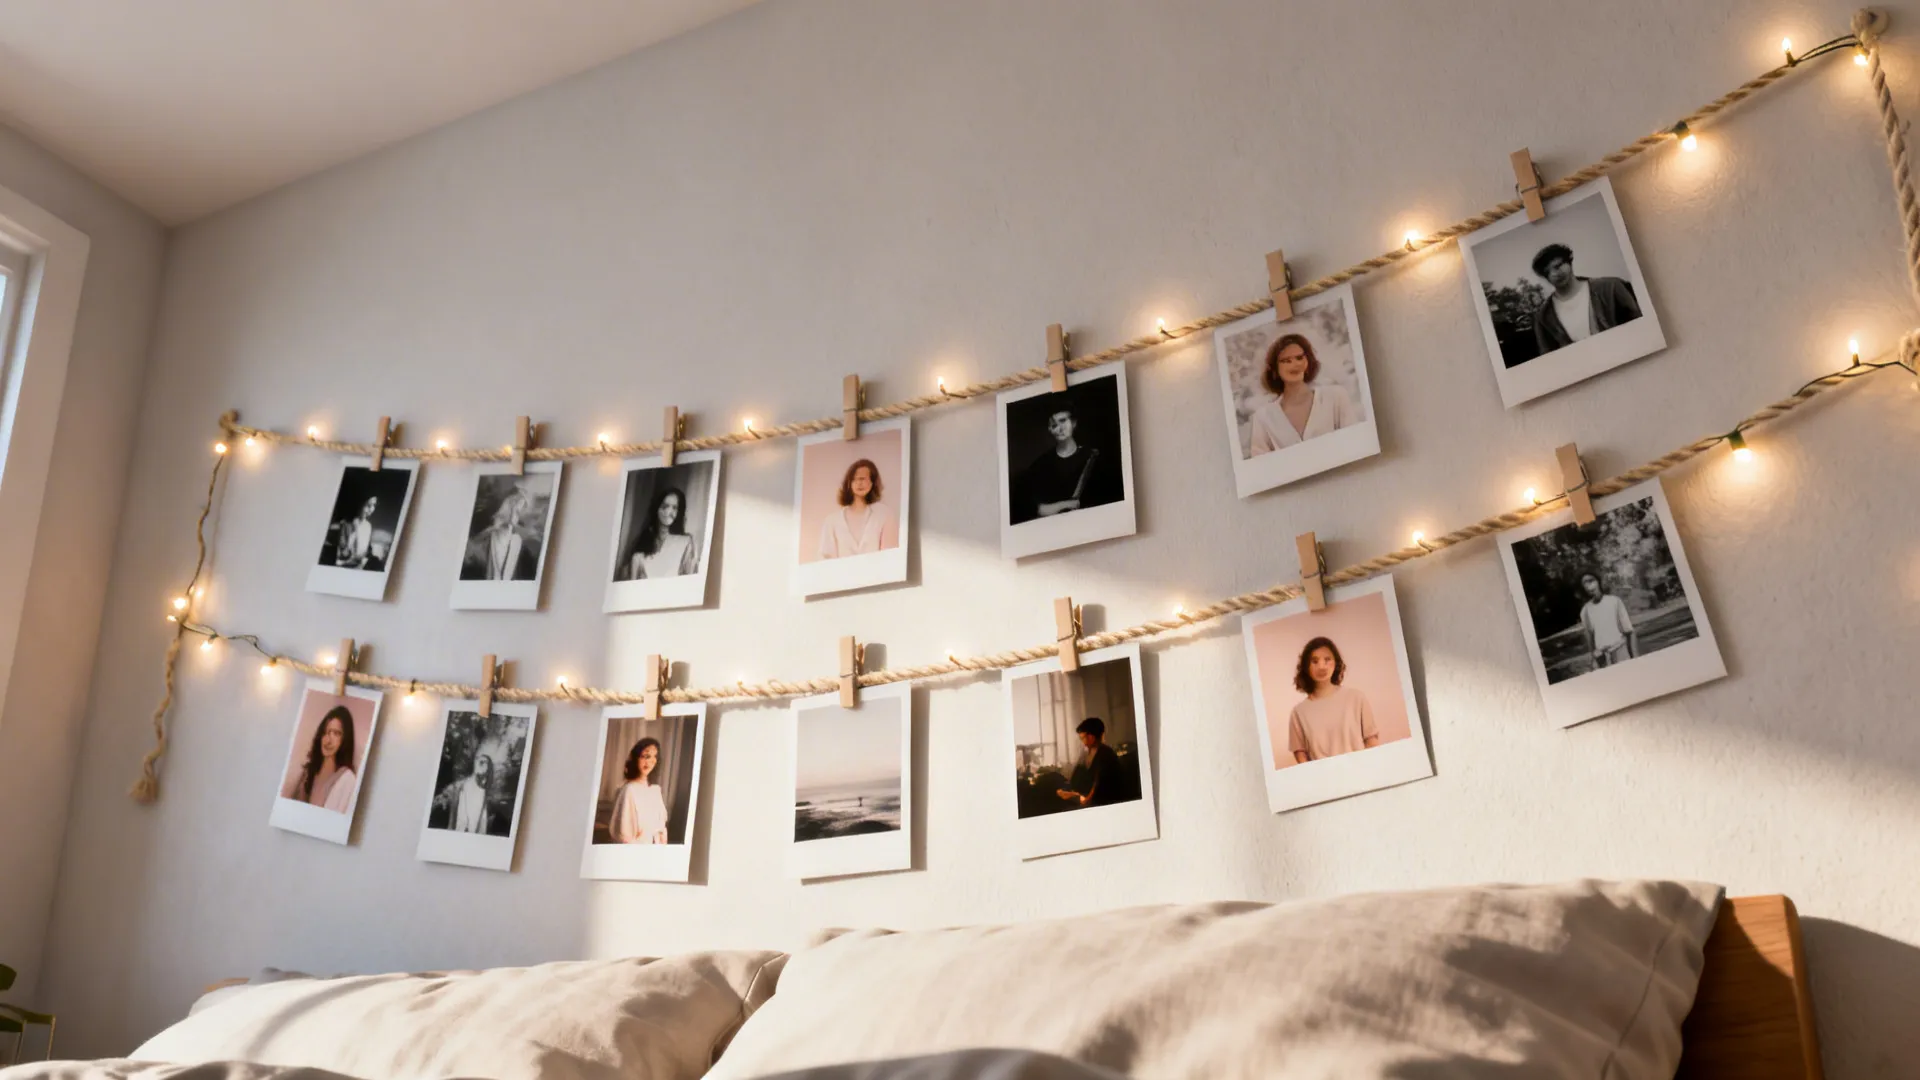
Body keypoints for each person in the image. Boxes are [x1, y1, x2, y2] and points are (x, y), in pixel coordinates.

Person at [1246, 333, 1362, 455]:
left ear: (1308, 361)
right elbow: (1261, 466)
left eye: (1299, 358)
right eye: (1286, 361)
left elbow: (1354, 443)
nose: (1295, 364)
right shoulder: (1263, 417)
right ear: (1275, 368)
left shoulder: (1336, 396)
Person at [1014, 401, 1121, 521]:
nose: (1060, 428)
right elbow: (1037, 508)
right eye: (1054, 425)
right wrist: (1066, 504)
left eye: (1063, 421)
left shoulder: (1092, 457)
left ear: (1074, 423)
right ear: (1049, 429)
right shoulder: (1041, 465)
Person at [1530, 243, 1641, 352]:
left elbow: (1639, 325)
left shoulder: (1610, 287)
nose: (1555, 273)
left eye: (1558, 266)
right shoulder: (1543, 315)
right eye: (1547, 272)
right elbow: (1548, 355)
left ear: (1569, 261)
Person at [1286, 636, 1380, 764]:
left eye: (1327, 659)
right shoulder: (1298, 713)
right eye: (1314, 661)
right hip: (1324, 781)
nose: (1322, 666)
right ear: (1306, 667)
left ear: (1336, 663)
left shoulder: (1356, 698)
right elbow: (1301, 756)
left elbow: (1371, 741)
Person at [283, 704, 358, 812]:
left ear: (345, 739)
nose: (328, 740)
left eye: (336, 733)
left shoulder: (347, 780)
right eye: (326, 732)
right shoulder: (308, 772)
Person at [818, 458, 897, 558]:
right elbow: (826, 559)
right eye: (854, 479)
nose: (859, 483)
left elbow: (890, 555)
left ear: (872, 482)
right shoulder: (831, 520)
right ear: (849, 484)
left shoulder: (884, 514)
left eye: (862, 479)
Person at [461, 487, 538, 581]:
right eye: (512, 504)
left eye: (517, 512)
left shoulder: (518, 541)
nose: (514, 514)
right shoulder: (488, 534)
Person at [622, 487, 697, 580]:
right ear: (657, 508)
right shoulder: (639, 554)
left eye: (675, 508)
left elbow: (690, 578)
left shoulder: (686, 541)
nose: (669, 512)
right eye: (665, 506)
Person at [607, 736, 670, 844]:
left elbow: (661, 826)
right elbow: (624, 834)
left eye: (654, 757)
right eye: (645, 756)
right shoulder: (629, 790)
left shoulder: (655, 790)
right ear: (636, 758)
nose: (650, 761)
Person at [1053, 717, 1124, 808]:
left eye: (1082, 738)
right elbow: (1077, 775)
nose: (1082, 742)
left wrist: (1086, 800)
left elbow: (1099, 783)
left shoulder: (1105, 753)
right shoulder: (1087, 752)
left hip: (1103, 801)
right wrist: (1069, 791)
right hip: (1086, 796)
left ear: (1091, 737)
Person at [1577, 570, 1638, 668]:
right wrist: (1594, 660)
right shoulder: (1585, 611)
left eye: (1591, 580)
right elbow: (1590, 639)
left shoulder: (1614, 601)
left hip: (1621, 652)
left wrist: (1635, 657)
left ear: (1598, 581)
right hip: (1603, 659)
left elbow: (1629, 631)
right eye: (1585, 583)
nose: (1589, 585)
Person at [449, 753, 493, 833]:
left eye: (483, 762)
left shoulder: (483, 792)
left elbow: (482, 823)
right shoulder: (464, 785)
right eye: (477, 760)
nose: (479, 763)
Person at [332, 495, 378, 569]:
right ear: (360, 504)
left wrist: (363, 561)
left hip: (358, 567)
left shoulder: (368, 526)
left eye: (374, 505)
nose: (371, 509)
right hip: (343, 566)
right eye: (368, 505)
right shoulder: (346, 523)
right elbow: (343, 551)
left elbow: (366, 550)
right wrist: (355, 530)